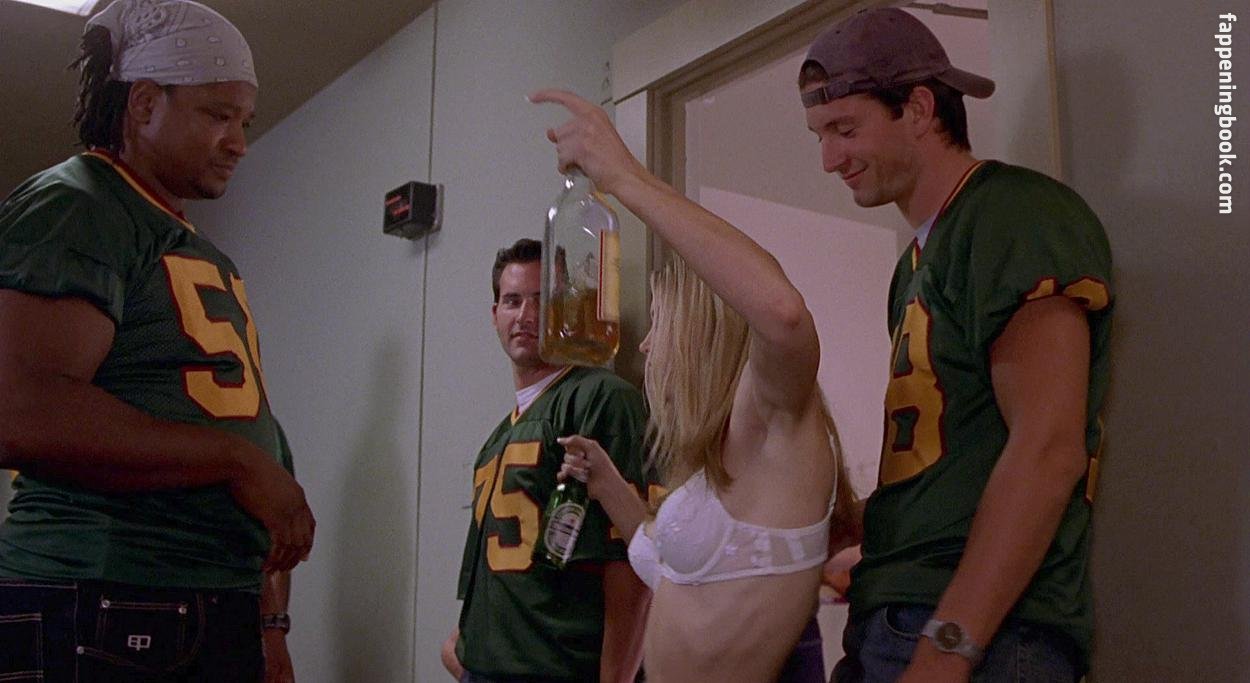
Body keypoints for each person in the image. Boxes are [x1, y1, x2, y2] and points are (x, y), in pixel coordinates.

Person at [797, 8, 1114, 682]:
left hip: (983, 634)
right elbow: (952, 465)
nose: (828, 160)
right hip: (896, 616)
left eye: (845, 130)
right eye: (820, 136)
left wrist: (947, 647)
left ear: (918, 109)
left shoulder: (1014, 215)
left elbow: (1048, 447)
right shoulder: (915, 263)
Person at [0, 1, 314, 681]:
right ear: (144, 104)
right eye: (218, 115)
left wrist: (267, 621)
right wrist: (237, 461)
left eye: (244, 121)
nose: (239, 142)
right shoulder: (77, 204)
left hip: (202, 600)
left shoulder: (182, 239)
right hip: (102, 593)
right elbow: (21, 409)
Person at [529, 87, 859, 680]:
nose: (646, 344)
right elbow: (676, 575)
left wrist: (624, 178)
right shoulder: (720, 456)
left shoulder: (769, 421)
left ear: (698, 333)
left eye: (659, 324)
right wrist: (608, 484)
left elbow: (783, 314)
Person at [442, 238, 652, 683]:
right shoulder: (498, 438)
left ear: (566, 310)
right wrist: (467, 648)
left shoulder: (600, 398)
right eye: (513, 300)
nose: (525, 315)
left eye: (541, 300)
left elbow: (631, 561)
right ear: (495, 314)